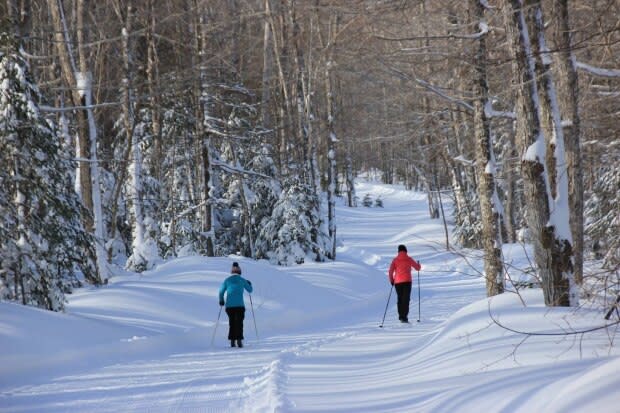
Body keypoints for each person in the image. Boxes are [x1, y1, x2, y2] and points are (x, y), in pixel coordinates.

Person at [219, 262, 253, 348]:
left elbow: (221, 292)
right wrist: (249, 283)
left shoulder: (227, 280)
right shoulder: (242, 280)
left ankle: (232, 341)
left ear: (231, 272)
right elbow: (250, 290)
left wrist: (221, 300)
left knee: (232, 323)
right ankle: (239, 340)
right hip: (239, 306)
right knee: (239, 323)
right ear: (239, 272)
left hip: (229, 306)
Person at [388, 245, 421, 323]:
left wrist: (391, 280)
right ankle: (404, 317)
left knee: (400, 298)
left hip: (397, 282)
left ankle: (401, 316)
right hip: (407, 281)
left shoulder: (395, 260)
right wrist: (418, 264)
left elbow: (390, 271)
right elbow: (417, 268)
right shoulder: (409, 259)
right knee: (406, 299)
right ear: (406, 251)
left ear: (398, 251)